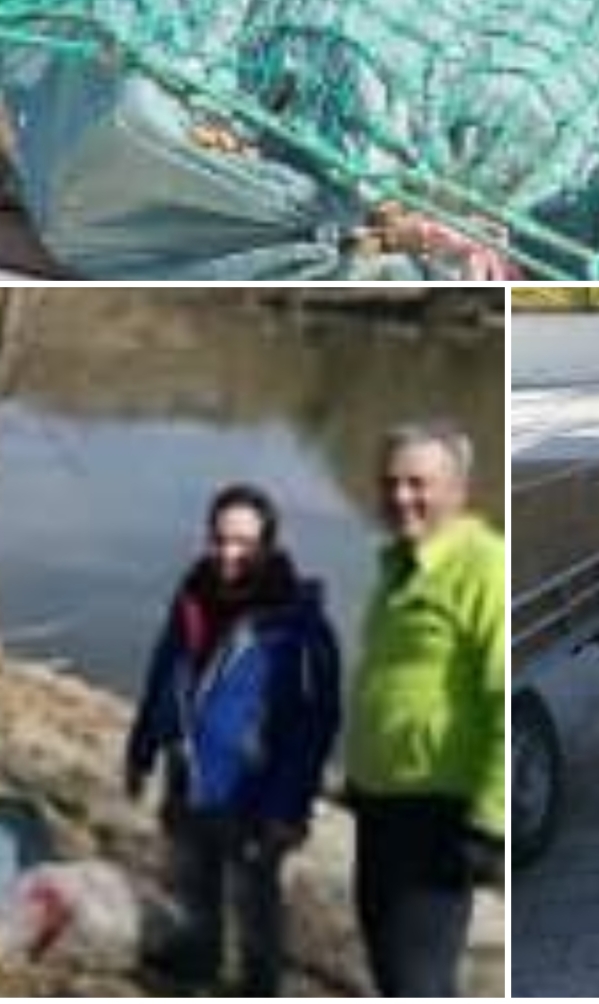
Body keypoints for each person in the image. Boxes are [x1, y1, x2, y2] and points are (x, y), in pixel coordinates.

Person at [125, 483, 342, 997]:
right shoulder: (193, 599)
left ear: (267, 545)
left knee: (255, 906)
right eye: (220, 540)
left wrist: (288, 810)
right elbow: (164, 676)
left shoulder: (297, 624)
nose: (228, 554)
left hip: (255, 792)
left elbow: (316, 725)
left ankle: (258, 988)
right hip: (190, 775)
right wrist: (141, 748)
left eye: (243, 543)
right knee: (189, 881)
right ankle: (193, 965)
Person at [347, 423, 506, 997]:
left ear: (459, 490)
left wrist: (490, 824)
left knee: (418, 980)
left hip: (437, 819)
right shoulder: (396, 566)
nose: (401, 497)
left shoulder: (483, 567)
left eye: (419, 483)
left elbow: (501, 697)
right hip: (380, 809)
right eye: (391, 483)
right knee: (389, 967)